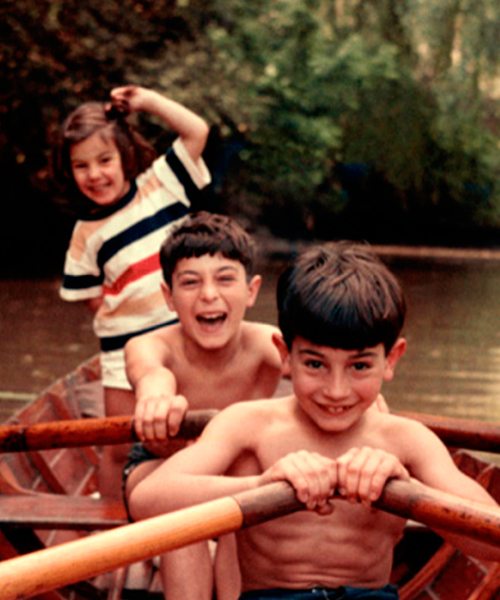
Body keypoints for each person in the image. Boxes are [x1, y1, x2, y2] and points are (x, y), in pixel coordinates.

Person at [128, 241, 500, 600]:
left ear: (391, 359)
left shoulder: (407, 441)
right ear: (285, 355)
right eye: (315, 364)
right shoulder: (247, 425)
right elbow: (147, 499)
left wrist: (407, 486)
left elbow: (491, 541)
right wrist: (260, 486)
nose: (336, 391)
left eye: (359, 366)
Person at [54, 85, 211, 498]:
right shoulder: (84, 235)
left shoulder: (161, 185)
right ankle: (110, 527)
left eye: (104, 160)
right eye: (81, 166)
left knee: (193, 437)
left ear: (124, 155)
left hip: (185, 342)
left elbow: (197, 131)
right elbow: (93, 299)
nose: (95, 174)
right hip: (123, 353)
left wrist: (148, 102)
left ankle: (191, 510)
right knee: (118, 445)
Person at [124, 210, 284, 600]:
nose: (209, 295)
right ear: (168, 297)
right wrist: (156, 399)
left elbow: (324, 375)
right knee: (185, 508)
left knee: (248, 489)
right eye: (190, 282)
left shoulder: (271, 344)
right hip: (159, 467)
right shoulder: (149, 346)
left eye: (225, 279)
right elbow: (151, 375)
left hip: (240, 475)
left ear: (251, 290)